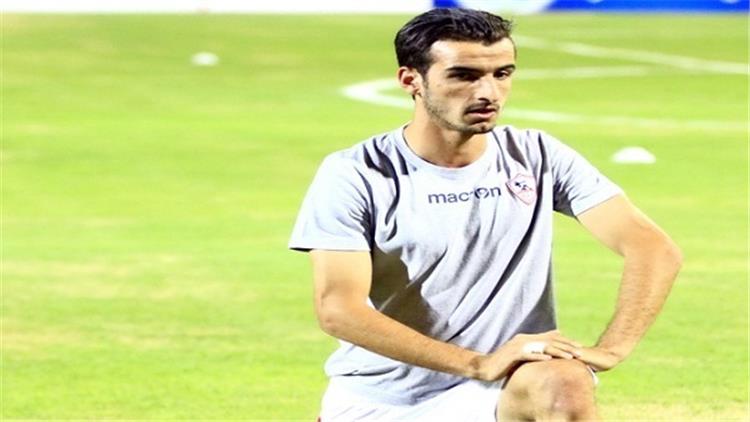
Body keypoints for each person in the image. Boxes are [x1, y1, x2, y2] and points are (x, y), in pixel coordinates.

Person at [289, 8, 682, 421]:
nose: (488, 93)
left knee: (564, 380)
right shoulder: (356, 173)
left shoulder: (536, 155)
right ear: (410, 81)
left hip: (501, 388)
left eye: (502, 74)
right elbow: (339, 309)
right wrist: (476, 363)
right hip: (385, 399)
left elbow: (652, 249)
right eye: (464, 76)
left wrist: (612, 349)